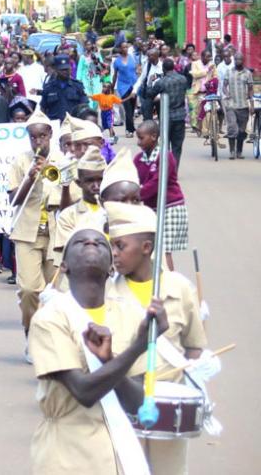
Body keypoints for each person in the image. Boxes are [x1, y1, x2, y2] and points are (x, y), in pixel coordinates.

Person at [28, 219, 168, 475]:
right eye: (81, 242)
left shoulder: (131, 315)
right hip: (66, 455)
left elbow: (139, 402)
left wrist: (109, 360)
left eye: (101, 243)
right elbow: (84, 392)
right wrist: (137, 347)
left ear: (111, 268)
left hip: (121, 454)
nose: (91, 243)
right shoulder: (50, 318)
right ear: (65, 265)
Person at [105, 201, 210, 475]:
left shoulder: (180, 288)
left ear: (146, 248)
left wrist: (191, 381)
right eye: (112, 246)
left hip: (167, 407)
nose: (113, 254)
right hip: (121, 406)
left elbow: (194, 346)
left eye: (120, 246)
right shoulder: (104, 292)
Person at [7, 111, 60, 362]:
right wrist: (30, 177)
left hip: (56, 234)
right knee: (29, 289)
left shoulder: (62, 159)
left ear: (50, 135)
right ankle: (30, 333)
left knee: (54, 293)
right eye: (33, 137)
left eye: (42, 135)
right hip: (27, 233)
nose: (38, 141)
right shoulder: (21, 161)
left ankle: (49, 341)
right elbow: (14, 200)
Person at [134, 120, 188, 271]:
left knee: (163, 251)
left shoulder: (166, 157)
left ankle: (171, 287)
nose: (138, 142)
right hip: (150, 209)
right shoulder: (138, 160)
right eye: (137, 138)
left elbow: (157, 183)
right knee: (149, 249)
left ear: (153, 136)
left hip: (170, 207)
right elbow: (131, 179)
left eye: (141, 138)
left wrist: (135, 195)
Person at [51, 146, 107, 274]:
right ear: (79, 183)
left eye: (100, 180)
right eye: (90, 181)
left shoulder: (117, 211)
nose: (96, 186)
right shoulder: (68, 216)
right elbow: (70, 254)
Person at [144, 58, 188, 165]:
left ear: (163, 68)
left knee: (165, 145)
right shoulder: (183, 79)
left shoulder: (161, 82)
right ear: (173, 67)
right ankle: (174, 171)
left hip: (166, 117)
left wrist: (149, 82)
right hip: (180, 116)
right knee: (177, 146)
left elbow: (149, 94)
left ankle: (166, 169)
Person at [222, 53, 254, 160]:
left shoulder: (248, 73)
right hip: (231, 105)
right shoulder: (229, 72)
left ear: (243, 61)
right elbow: (224, 86)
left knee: (241, 131)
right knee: (232, 128)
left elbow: (250, 89)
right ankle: (232, 151)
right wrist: (226, 93)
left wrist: (252, 105)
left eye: (240, 59)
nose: (237, 61)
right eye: (236, 59)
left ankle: (239, 151)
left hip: (243, 105)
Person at [40, 54, 88, 121]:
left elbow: (84, 106)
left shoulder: (77, 86)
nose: (65, 72)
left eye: (67, 69)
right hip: (55, 125)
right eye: (62, 69)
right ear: (56, 70)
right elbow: (43, 108)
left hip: (73, 123)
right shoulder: (49, 88)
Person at [111, 43, 138, 138]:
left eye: (126, 47)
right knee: (128, 109)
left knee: (132, 108)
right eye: (123, 47)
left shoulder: (132, 58)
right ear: (120, 49)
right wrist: (112, 87)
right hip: (123, 87)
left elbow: (137, 70)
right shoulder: (117, 61)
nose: (125, 49)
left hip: (133, 85)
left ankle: (131, 127)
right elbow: (115, 75)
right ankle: (129, 130)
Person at [133, 48, 162, 122]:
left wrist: (159, 96)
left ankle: (161, 132)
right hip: (148, 93)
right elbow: (141, 79)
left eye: (150, 56)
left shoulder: (162, 66)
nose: (148, 58)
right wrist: (134, 90)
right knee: (147, 117)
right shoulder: (148, 65)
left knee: (161, 117)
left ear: (157, 56)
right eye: (148, 56)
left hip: (159, 94)